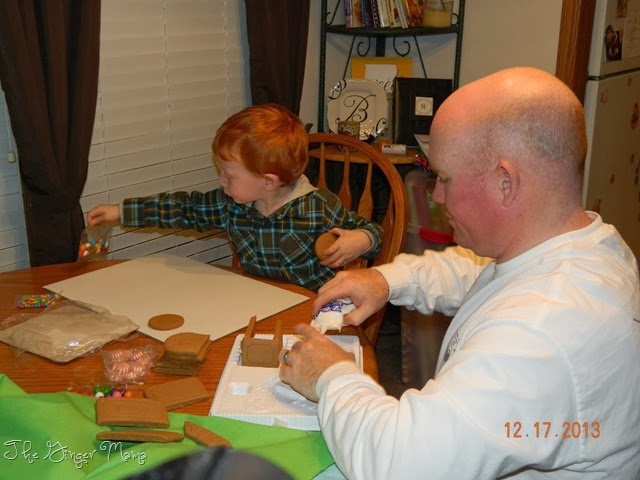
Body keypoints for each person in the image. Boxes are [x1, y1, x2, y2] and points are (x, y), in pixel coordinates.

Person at [278, 67, 640, 479]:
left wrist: (330, 375)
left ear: (505, 182)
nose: (436, 195)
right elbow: (477, 273)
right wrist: (386, 280)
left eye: (445, 178)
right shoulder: (577, 243)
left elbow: (400, 464)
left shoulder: (542, 331)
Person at [86, 104, 383, 292]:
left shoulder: (318, 207)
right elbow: (181, 209)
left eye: (229, 175)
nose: (221, 181)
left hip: (310, 308)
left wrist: (362, 239)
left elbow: (374, 232)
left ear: (268, 182)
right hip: (253, 298)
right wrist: (121, 211)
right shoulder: (229, 205)